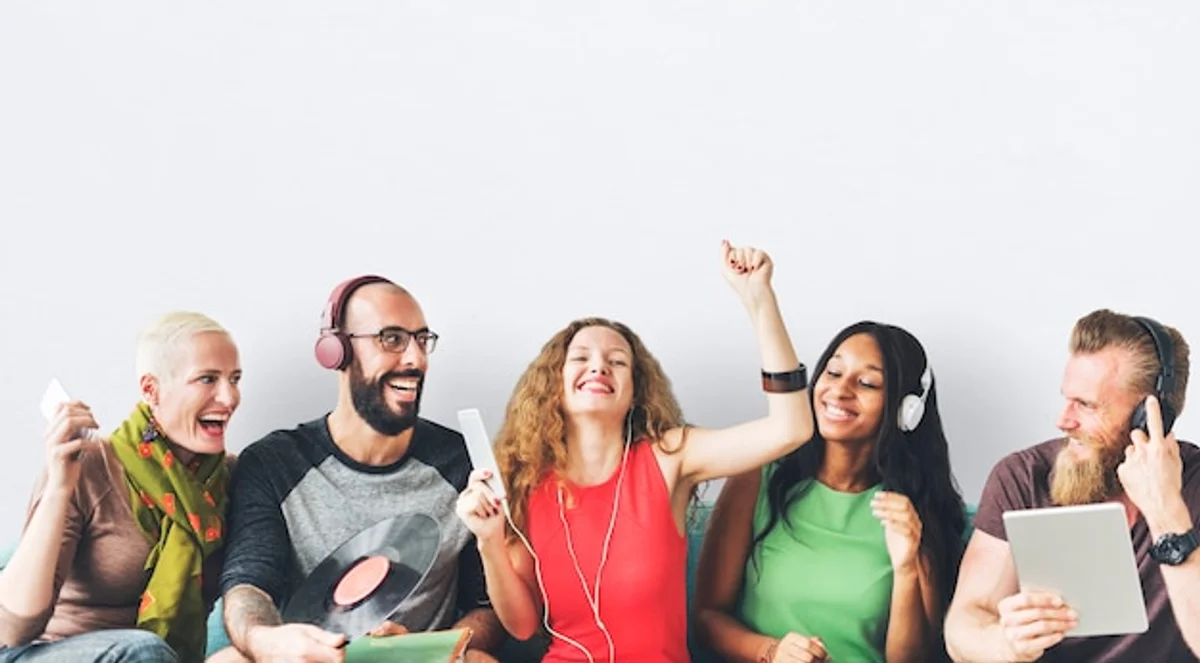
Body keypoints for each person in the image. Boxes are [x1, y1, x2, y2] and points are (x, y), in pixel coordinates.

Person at [454, 241, 815, 663]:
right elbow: (522, 625)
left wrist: (760, 301)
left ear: (635, 392)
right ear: (554, 384)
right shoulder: (526, 482)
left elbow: (790, 429)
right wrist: (489, 542)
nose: (598, 367)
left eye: (617, 361)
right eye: (581, 358)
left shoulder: (670, 457)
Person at [218, 275, 503, 663]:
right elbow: (249, 582)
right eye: (391, 339)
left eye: (422, 340)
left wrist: (428, 651)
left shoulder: (462, 463)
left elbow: (486, 604)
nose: (415, 359)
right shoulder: (274, 463)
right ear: (336, 352)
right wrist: (267, 641)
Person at [692, 321, 968, 663]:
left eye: (867, 382)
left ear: (905, 410)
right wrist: (771, 652)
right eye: (834, 372)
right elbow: (707, 618)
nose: (840, 391)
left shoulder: (912, 512)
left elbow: (909, 660)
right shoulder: (758, 476)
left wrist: (906, 567)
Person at [944, 309, 1200, 662]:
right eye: (1067, 398)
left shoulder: (1195, 486)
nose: (1063, 420)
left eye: (1086, 405)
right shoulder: (1023, 477)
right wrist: (1006, 645)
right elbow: (963, 627)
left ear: (1152, 414)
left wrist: (1166, 513)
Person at [0, 312, 243, 663]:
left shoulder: (231, 479)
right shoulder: (88, 464)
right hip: (45, 652)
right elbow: (12, 631)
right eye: (207, 379)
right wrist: (58, 489)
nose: (230, 397)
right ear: (151, 389)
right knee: (144, 649)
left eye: (235, 379)